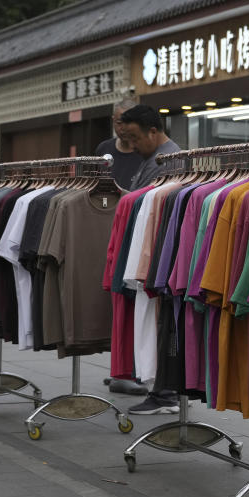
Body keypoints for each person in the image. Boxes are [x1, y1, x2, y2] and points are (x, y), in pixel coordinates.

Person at [118, 104, 185, 414]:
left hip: (160, 253)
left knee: (161, 322)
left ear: (154, 132)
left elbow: (151, 208)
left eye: (134, 138)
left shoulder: (168, 162)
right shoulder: (155, 159)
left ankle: (165, 393)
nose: (131, 146)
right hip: (154, 251)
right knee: (156, 322)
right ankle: (163, 389)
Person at [94, 98, 149, 396]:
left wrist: (124, 197)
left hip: (135, 228)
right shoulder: (104, 150)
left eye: (126, 121)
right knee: (116, 304)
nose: (121, 127)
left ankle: (133, 368)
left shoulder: (145, 152)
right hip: (107, 225)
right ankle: (120, 366)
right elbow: (95, 189)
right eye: (117, 121)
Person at [120, 104, 180, 191]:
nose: (131, 146)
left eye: (134, 138)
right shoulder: (151, 155)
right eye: (128, 139)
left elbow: (137, 201)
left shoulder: (163, 161)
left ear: (152, 132)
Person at [94, 97, 144, 190]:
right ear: (113, 120)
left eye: (129, 123)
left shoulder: (146, 152)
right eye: (119, 123)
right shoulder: (103, 149)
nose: (124, 128)